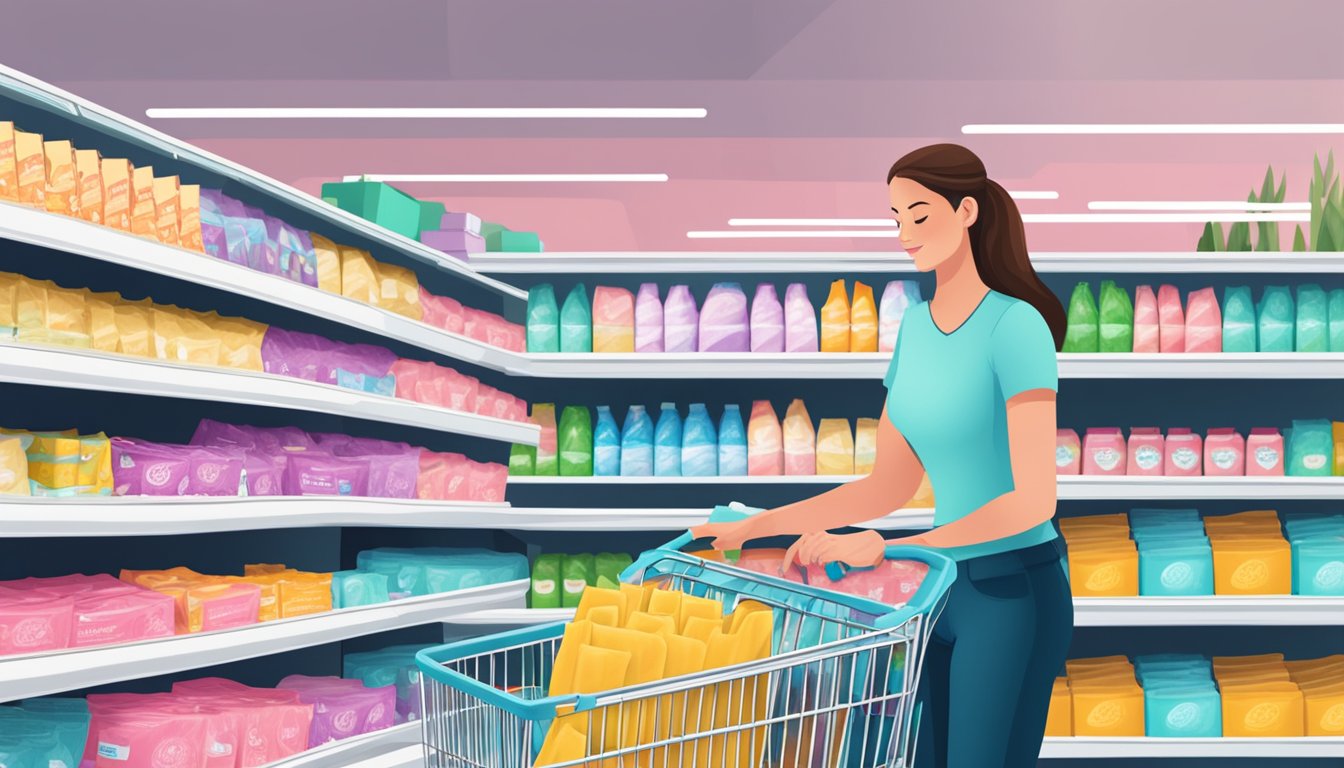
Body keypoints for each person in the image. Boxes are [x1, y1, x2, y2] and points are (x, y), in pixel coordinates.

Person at [693, 143, 1073, 768]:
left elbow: (1033, 500)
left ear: (968, 211)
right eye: (896, 218)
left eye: (919, 215)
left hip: (1013, 590)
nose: (904, 234)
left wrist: (893, 548)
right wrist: (756, 525)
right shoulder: (916, 330)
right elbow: (885, 486)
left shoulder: (1017, 326)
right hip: (940, 592)